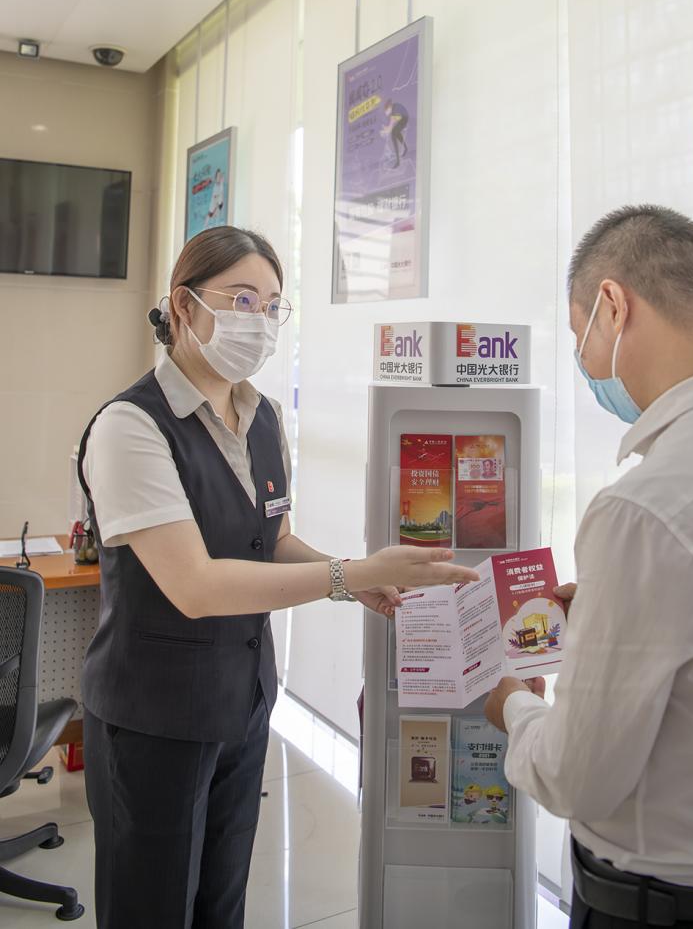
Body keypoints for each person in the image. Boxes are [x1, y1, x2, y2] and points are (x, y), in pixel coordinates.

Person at [78, 225, 479, 929]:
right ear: (184, 305)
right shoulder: (131, 427)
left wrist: (353, 580)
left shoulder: (261, 415)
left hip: (241, 700)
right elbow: (196, 585)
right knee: (151, 906)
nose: (258, 321)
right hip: (154, 715)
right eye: (241, 299)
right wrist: (347, 574)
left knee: (221, 900)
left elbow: (275, 540)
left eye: (271, 305)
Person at [484, 205, 693, 927]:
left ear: (613, 305)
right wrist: (617, 607)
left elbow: (575, 776)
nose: (585, 363)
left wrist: (512, 703)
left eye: (579, 333)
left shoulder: (644, 509)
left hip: (656, 902)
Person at [381, 99, 409, 168]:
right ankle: (405, 148)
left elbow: (390, 126)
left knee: (393, 135)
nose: (386, 113)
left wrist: (385, 130)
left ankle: (398, 161)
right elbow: (392, 124)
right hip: (403, 119)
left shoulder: (393, 111)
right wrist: (387, 128)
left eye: (387, 110)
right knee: (396, 132)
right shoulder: (394, 108)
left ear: (389, 107)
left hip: (404, 119)